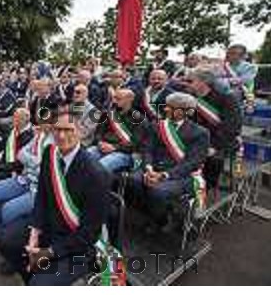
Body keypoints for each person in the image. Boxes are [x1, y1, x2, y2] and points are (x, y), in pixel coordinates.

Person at [0, 108, 113, 286]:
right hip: (51, 226)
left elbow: (89, 234)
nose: (61, 135)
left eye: (68, 130)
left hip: (79, 243)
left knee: (40, 284)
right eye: (57, 129)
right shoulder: (50, 153)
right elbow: (42, 196)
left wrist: (49, 252)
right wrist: (34, 233)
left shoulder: (97, 174)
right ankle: (29, 273)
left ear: (81, 132)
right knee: (5, 240)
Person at [132, 92, 210, 232]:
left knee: (157, 191)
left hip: (181, 175)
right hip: (154, 169)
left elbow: (193, 163)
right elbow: (147, 149)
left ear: (185, 112)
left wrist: (163, 175)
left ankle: (163, 218)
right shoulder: (157, 126)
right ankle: (154, 213)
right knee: (134, 180)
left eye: (171, 107)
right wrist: (149, 168)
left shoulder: (200, 133)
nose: (166, 109)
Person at [0, 117, 55, 249]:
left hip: (39, 189)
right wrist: (35, 161)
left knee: (8, 210)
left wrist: (31, 161)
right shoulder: (39, 136)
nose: (41, 123)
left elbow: (44, 170)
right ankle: (0, 234)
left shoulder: (56, 142)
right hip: (25, 178)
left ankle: (9, 244)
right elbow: (21, 154)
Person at [185, 68, 242, 190]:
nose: (187, 83)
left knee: (212, 159)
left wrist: (214, 146)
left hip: (220, 141)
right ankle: (183, 185)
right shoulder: (189, 98)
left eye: (191, 81)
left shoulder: (227, 98)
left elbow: (232, 127)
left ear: (203, 82)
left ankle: (206, 189)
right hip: (196, 138)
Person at [87, 88, 147, 173]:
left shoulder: (139, 119)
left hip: (124, 152)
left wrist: (114, 147)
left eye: (118, 99)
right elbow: (98, 133)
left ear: (130, 99)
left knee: (102, 166)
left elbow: (135, 144)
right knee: (84, 157)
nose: (114, 101)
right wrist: (99, 142)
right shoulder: (107, 113)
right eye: (114, 98)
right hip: (102, 147)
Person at [218, 44, 257, 110]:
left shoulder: (250, 67)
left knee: (231, 94)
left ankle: (235, 118)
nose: (229, 55)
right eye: (229, 53)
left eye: (233, 53)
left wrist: (225, 81)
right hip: (223, 88)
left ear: (242, 55)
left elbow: (243, 80)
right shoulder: (223, 66)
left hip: (242, 92)